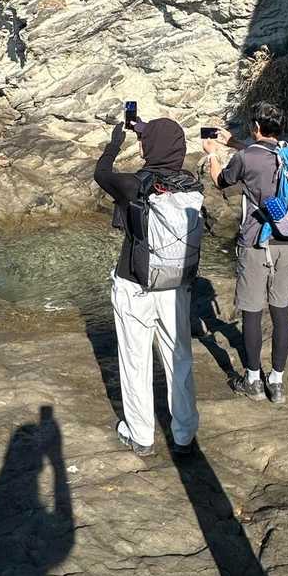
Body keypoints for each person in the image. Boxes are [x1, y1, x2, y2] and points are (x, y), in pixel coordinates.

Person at [94, 115, 201, 457]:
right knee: (179, 358)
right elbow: (163, 145)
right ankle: (184, 435)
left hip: (134, 284)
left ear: (149, 148)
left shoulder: (134, 185)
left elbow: (101, 174)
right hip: (176, 285)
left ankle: (141, 435)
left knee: (135, 359)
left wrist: (114, 144)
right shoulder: (191, 186)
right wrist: (143, 128)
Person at [201, 101, 288, 405]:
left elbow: (221, 181)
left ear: (255, 127)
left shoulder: (245, 157)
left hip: (256, 242)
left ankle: (253, 380)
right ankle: (276, 384)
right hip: (287, 242)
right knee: (280, 311)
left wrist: (212, 153)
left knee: (252, 312)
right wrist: (234, 142)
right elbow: (261, 157)